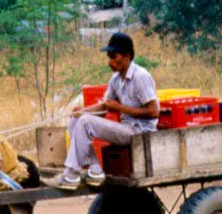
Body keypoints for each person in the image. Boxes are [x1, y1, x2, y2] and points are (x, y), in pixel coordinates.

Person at [42, 32, 159, 190]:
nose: (110, 61)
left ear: (127, 55)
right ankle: (95, 170)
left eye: (113, 56)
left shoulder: (140, 77)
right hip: (126, 128)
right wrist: (82, 110)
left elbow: (153, 111)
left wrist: (120, 108)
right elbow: (104, 106)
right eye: (108, 56)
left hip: (140, 132)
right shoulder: (116, 78)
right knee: (77, 120)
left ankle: (71, 174)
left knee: (85, 121)